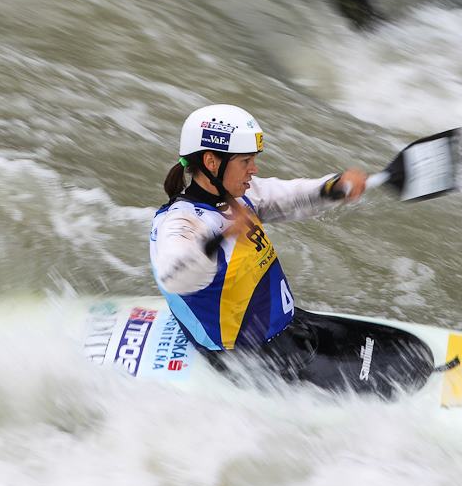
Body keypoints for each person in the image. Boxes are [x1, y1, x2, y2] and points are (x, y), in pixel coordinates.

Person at [149, 104, 370, 386]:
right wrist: (222, 237)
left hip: (286, 329)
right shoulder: (181, 223)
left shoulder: (238, 194)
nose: (253, 169)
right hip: (248, 359)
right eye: (245, 161)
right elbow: (174, 275)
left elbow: (290, 197)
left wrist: (334, 187)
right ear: (212, 162)